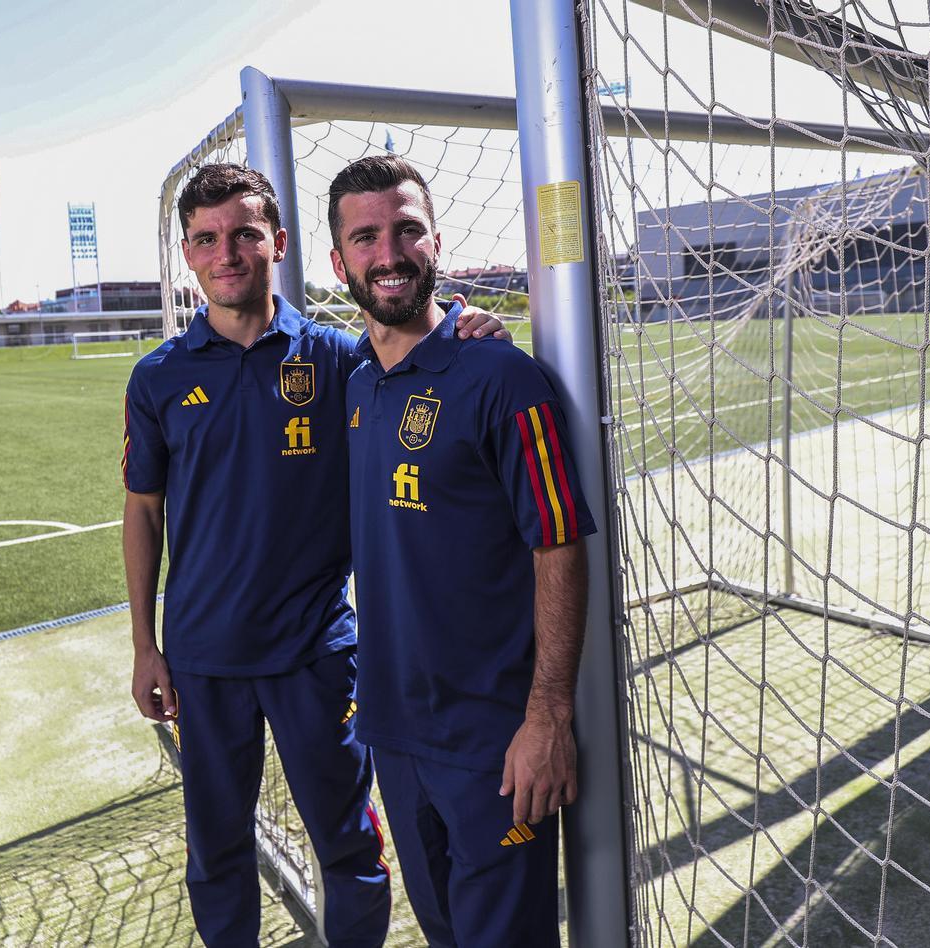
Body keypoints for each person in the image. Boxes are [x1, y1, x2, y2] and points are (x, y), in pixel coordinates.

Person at [121, 163, 509, 947]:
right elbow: (143, 512)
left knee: (348, 844)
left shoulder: (339, 360)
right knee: (218, 849)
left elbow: (416, 343)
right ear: (188, 255)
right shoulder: (157, 377)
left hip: (317, 655)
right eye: (206, 239)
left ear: (280, 244)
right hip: (203, 658)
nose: (226, 252)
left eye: (244, 234)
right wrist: (144, 645)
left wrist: (470, 321)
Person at [329, 154, 595, 947]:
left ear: (436, 241)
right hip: (393, 732)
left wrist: (547, 715)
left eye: (406, 230)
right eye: (366, 237)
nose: (389, 253)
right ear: (340, 257)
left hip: (493, 743)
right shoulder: (353, 384)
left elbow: (559, 545)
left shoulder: (504, 379)